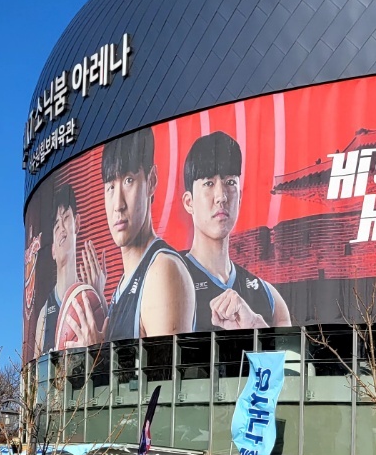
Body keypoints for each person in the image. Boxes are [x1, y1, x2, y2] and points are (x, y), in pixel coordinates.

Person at [82, 127, 195, 339]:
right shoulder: (124, 284)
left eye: (128, 180)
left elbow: (166, 362)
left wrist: (95, 355)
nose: (118, 205)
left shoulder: (163, 271)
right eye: (110, 186)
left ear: (151, 181)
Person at [179, 132, 290, 330]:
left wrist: (255, 325)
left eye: (230, 182)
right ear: (189, 202)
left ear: (239, 197)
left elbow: (291, 351)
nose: (221, 196)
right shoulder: (170, 280)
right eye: (209, 183)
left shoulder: (268, 297)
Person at [32, 182, 107, 354]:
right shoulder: (44, 314)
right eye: (57, 226)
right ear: (52, 250)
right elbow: (37, 367)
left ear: (77, 223)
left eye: (66, 218)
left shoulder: (93, 298)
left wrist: (100, 299)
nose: (62, 230)